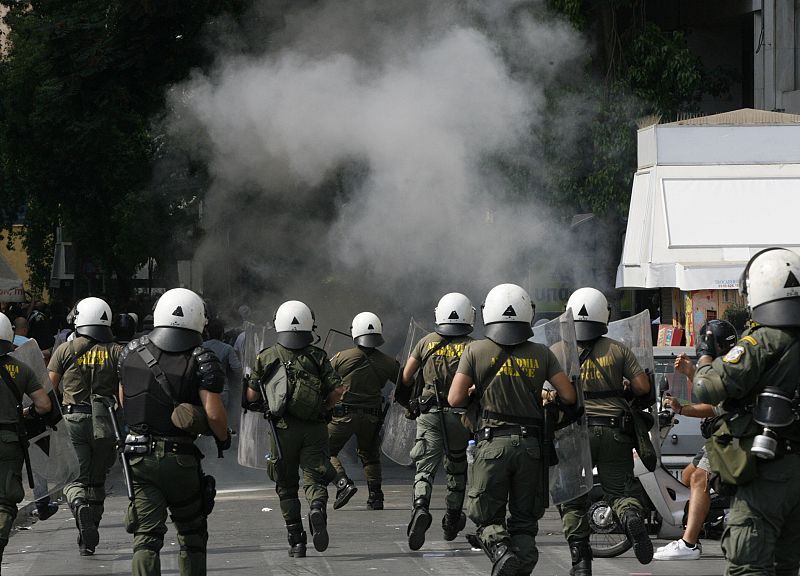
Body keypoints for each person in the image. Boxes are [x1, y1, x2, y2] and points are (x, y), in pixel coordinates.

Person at [449, 283, 577, 576]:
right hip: (531, 448)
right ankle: (518, 562)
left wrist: (473, 390)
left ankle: (500, 549)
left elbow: (455, 399)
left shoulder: (474, 350)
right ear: (527, 314)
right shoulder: (542, 353)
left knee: (486, 516)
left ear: (488, 313)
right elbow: (569, 397)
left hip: (491, 444)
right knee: (524, 522)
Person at [693, 248, 800, 575]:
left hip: (765, 471)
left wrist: (704, 362)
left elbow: (707, 389)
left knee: (747, 565)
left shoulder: (761, 341)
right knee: (787, 565)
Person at [118, 287, 229, 576]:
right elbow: (214, 413)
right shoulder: (202, 357)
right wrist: (224, 438)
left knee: (146, 538)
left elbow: (122, 400)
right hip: (180, 459)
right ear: (199, 318)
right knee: (192, 535)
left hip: (138, 457)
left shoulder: (130, 352)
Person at [558, 287, 654, 575]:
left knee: (574, 498)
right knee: (620, 491)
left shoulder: (559, 351)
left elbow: (549, 391)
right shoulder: (618, 349)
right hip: (614, 431)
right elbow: (642, 388)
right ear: (605, 315)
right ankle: (630, 515)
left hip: (575, 434)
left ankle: (581, 560)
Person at [245, 300, 343, 558]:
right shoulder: (318, 356)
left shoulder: (265, 356)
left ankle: (296, 541)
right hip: (314, 429)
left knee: (286, 486)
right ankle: (317, 508)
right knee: (314, 476)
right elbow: (337, 390)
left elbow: (252, 395)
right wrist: (324, 408)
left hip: (281, 431)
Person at [654, 319, 738, 561]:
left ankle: (689, 543)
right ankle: (708, 519)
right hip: (718, 434)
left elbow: (714, 406)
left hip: (729, 434)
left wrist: (682, 408)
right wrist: (691, 373)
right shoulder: (722, 363)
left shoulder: (728, 366)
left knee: (700, 477)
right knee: (690, 476)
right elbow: (708, 391)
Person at [399, 293, 476, 549]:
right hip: (460, 415)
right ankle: (452, 519)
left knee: (425, 468)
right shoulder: (473, 347)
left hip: (430, 415)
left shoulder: (426, 342)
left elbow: (407, 376)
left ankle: (420, 507)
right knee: (456, 467)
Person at [48, 296, 122, 555]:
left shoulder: (65, 350)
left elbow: (49, 390)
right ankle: (89, 536)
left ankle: (79, 505)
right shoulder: (117, 351)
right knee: (97, 481)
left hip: (73, 421)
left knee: (72, 477)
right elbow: (123, 394)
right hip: (105, 422)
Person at [328, 312, 399, 511]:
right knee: (370, 455)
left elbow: (324, 381)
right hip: (372, 417)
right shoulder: (388, 362)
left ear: (354, 332)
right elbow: (405, 384)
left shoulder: (341, 357)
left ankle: (343, 484)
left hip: (344, 415)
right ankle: (376, 497)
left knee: (324, 450)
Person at [0, 313, 53, 563]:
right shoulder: (20, 368)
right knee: (5, 501)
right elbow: (44, 405)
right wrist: (26, 412)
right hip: (9, 441)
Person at [203, 317, 242, 410]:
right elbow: (237, 369)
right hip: (222, 390)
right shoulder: (227, 348)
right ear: (222, 333)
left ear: (207, 333)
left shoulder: (201, 347)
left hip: (203, 389)